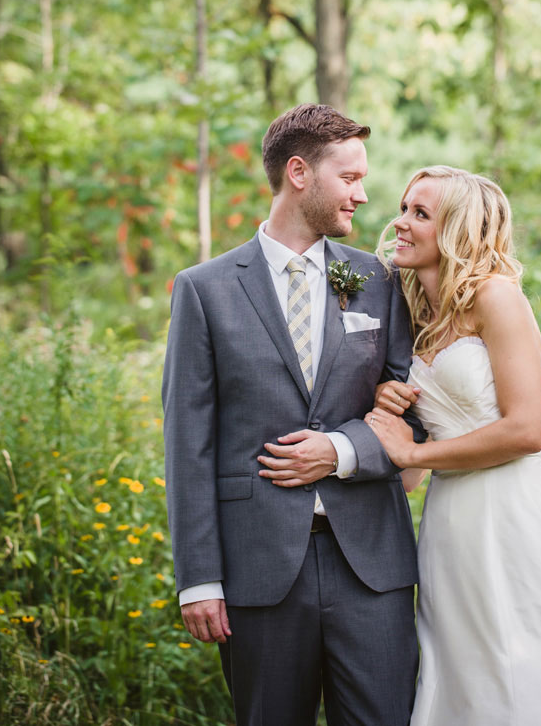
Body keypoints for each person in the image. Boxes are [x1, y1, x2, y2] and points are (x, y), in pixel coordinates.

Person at [161, 104, 422, 726]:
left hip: (372, 564)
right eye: (350, 178)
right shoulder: (205, 289)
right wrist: (199, 579)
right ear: (299, 172)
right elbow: (187, 442)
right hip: (257, 569)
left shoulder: (378, 278)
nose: (362, 194)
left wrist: (342, 449)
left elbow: (417, 413)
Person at [365, 165, 541, 726]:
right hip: (449, 528)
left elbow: (526, 431)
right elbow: (410, 475)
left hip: (513, 515)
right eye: (404, 207)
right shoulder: (416, 315)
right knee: (465, 675)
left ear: (456, 231)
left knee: (535, 666)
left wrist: (413, 453)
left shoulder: (497, 298)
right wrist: (393, 412)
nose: (400, 222)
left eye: (421, 213)